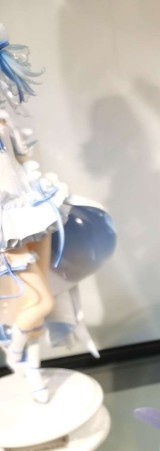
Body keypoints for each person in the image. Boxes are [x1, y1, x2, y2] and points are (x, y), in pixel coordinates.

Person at [0, 24, 67, 402]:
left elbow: (22, 158)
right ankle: (14, 352)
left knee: (40, 299)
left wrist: (36, 180)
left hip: (31, 207)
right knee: (41, 301)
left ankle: (34, 369)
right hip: (6, 222)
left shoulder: (5, 118)